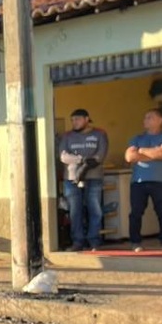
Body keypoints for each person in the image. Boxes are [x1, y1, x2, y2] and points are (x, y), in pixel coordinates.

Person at [57, 108, 108, 251]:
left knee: (95, 209)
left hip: (94, 177)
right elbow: (63, 156)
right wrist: (83, 160)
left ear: (87, 119)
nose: (74, 122)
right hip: (71, 178)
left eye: (78, 119)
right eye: (72, 120)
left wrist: (87, 163)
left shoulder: (99, 134)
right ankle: (77, 242)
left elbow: (100, 155)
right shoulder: (66, 136)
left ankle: (94, 241)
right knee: (75, 211)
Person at [124, 101, 162, 251]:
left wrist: (141, 152)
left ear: (160, 120)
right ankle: (135, 242)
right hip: (138, 182)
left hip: (160, 181)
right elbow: (129, 157)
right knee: (136, 212)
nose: (145, 120)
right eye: (145, 118)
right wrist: (154, 153)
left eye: (150, 117)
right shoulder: (137, 138)